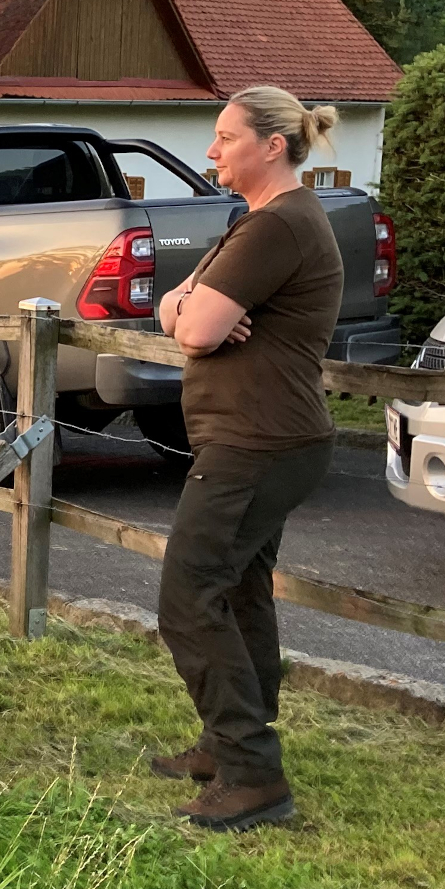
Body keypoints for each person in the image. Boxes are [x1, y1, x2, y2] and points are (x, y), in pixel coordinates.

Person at [148, 85, 344, 832]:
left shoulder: (279, 226)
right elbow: (179, 307)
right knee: (237, 593)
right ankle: (225, 747)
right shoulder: (261, 223)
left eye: (225, 137)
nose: (211, 151)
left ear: (271, 144)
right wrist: (188, 307)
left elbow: (196, 328)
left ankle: (252, 773)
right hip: (263, 437)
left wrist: (192, 313)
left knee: (188, 594)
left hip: (257, 440)